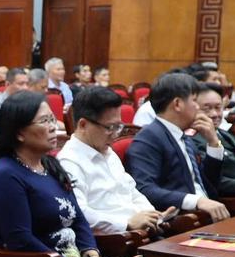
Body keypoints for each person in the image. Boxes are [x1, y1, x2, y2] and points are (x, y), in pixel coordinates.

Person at [0, 92, 104, 257]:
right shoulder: (6, 176)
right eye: (44, 121)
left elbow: (78, 218)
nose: (53, 127)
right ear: (19, 133)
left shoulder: (51, 165)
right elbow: (20, 240)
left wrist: (92, 254)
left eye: (52, 119)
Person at [57, 87, 168, 235]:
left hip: (140, 233)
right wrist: (127, 224)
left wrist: (153, 216)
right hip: (115, 240)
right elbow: (79, 212)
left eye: (118, 126)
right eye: (110, 127)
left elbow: (131, 191)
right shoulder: (69, 161)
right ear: (83, 125)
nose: (115, 135)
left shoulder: (107, 152)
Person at [126, 72, 230, 221]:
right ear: (177, 104)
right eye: (194, 101)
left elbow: (209, 187)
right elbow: (145, 189)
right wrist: (196, 201)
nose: (198, 107)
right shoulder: (148, 139)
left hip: (208, 216)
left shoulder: (183, 136)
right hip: (182, 222)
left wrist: (213, 143)